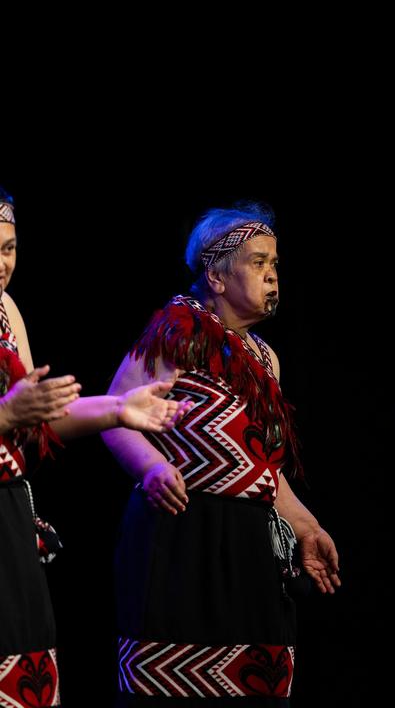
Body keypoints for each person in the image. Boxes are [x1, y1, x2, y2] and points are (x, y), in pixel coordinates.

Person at [102, 201, 340, 707]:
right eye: (258, 262)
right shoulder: (176, 332)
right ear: (214, 274)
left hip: (249, 546)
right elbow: (113, 416)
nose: (272, 275)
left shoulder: (265, 356)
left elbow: (262, 467)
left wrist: (306, 527)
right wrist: (152, 466)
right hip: (181, 533)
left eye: (275, 264)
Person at [0, 186, 192, 706]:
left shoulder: (5, 312)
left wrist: (117, 409)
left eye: (9, 248)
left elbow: (35, 424)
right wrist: (4, 415)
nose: (2, 265)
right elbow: (10, 416)